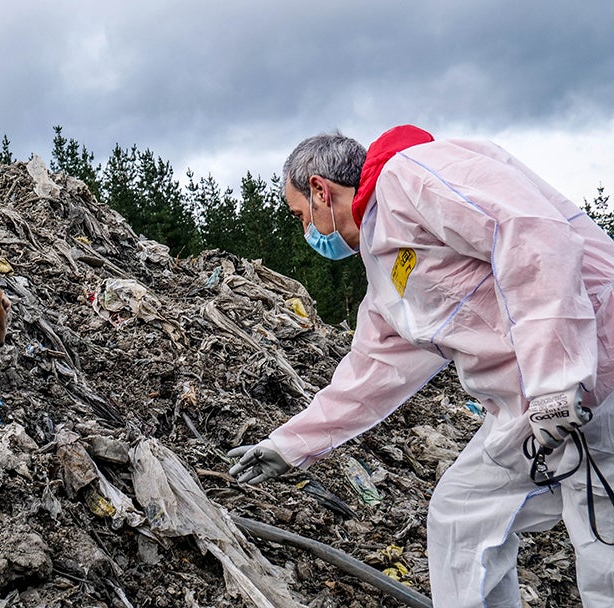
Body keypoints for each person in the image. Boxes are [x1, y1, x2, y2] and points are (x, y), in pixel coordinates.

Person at [227, 125, 614, 607]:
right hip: (531, 411)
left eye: (300, 214)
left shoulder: (414, 176)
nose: (305, 229)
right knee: (462, 518)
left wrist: (557, 380)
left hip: (594, 376)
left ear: (321, 190)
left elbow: (531, 237)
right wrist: (288, 446)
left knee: (604, 553)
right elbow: (370, 372)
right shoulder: (385, 264)